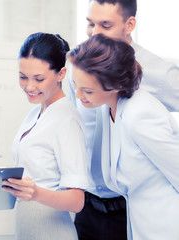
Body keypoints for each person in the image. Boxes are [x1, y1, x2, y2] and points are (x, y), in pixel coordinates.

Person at [69, 1, 179, 239]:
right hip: (98, 207)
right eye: (90, 24)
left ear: (129, 25)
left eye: (105, 25)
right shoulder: (87, 72)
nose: (95, 34)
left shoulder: (141, 109)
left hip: (155, 222)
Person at [2, 32, 89, 240]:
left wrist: (36, 193)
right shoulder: (36, 113)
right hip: (28, 227)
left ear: (61, 74)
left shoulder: (66, 119)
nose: (29, 87)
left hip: (53, 232)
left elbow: (77, 201)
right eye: (23, 77)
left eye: (39, 79)